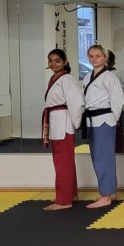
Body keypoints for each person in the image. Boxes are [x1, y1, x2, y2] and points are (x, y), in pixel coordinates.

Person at [82, 45, 124, 209]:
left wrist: (113, 120)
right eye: (91, 56)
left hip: (105, 120)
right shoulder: (87, 77)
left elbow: (118, 100)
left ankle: (106, 195)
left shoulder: (109, 78)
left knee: (103, 158)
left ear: (105, 58)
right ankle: (109, 191)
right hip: (92, 120)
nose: (94, 59)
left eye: (98, 56)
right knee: (97, 157)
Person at [42, 49, 84, 210]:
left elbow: (76, 102)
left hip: (63, 123)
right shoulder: (55, 78)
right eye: (50, 60)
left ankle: (64, 200)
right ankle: (71, 194)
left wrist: (76, 123)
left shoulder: (66, 79)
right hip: (56, 121)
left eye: (57, 61)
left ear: (65, 62)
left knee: (63, 163)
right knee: (64, 161)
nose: (53, 63)